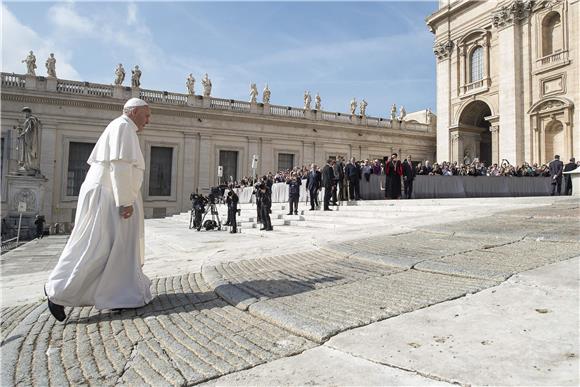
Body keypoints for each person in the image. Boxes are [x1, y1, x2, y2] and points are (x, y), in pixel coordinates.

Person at [44, 98, 152, 322]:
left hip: (109, 193)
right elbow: (119, 166)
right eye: (146, 115)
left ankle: (118, 295)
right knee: (98, 247)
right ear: (132, 112)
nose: (148, 120)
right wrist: (125, 202)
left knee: (113, 248)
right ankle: (59, 291)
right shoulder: (123, 127)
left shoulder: (121, 127)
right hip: (109, 195)